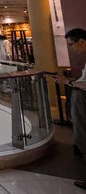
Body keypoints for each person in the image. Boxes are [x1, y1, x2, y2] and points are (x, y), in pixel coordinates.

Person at [64, 28, 86, 190]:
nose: (72, 48)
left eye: (72, 45)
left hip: (82, 99)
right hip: (80, 97)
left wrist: (69, 83)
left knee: (82, 135)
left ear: (82, 42)